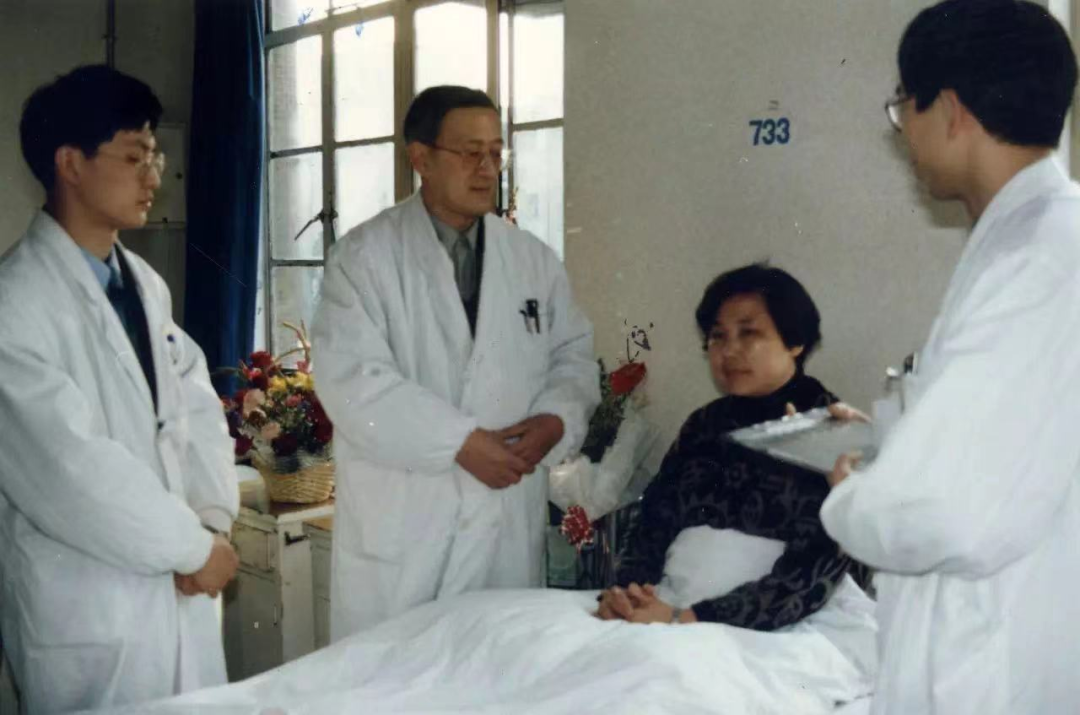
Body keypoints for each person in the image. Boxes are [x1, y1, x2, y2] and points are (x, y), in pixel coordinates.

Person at [819, 2, 1080, 713]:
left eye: (905, 105)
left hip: (1001, 654)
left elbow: (948, 510)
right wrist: (894, 444)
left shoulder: (1037, 258)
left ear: (952, 110)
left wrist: (851, 497)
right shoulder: (1031, 239)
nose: (902, 131)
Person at [312, 85, 599, 638]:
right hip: (407, 532)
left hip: (502, 527)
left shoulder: (533, 260)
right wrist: (459, 443)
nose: (487, 169)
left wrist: (556, 419)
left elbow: (574, 357)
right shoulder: (364, 259)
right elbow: (354, 383)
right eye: (470, 153)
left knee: (497, 667)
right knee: (397, 673)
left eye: (495, 153)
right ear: (420, 159)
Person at [0, 65, 240, 713]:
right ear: (70, 164)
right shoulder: (15, 302)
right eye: (135, 157)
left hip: (179, 589)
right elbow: (69, 470)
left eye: (155, 156)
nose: (154, 176)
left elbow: (196, 409)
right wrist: (192, 548)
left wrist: (212, 519)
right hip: (90, 610)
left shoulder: (144, 285)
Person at [598, 263, 869, 627]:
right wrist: (627, 595)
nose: (728, 351)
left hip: (779, 623)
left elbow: (816, 567)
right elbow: (652, 524)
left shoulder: (830, 431)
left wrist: (691, 617)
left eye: (748, 333)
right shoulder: (703, 425)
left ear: (795, 342)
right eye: (718, 336)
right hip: (668, 605)